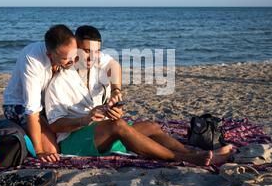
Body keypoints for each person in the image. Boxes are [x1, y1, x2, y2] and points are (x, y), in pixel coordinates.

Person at [44, 65, 233, 166]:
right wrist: (85, 119)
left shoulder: (96, 75)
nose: (91, 57)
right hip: (73, 140)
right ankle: (181, 157)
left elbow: (99, 108)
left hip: (96, 131)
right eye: (85, 51)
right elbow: (54, 125)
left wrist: (111, 110)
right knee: (118, 126)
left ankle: (191, 152)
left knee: (151, 126)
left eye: (95, 52)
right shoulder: (59, 82)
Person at [2, 24, 77, 162]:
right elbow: (32, 110)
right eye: (66, 58)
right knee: (52, 151)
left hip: (47, 105)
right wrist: (39, 151)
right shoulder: (32, 60)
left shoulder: (68, 54)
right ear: (50, 54)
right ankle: (21, 133)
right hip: (18, 106)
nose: (73, 60)